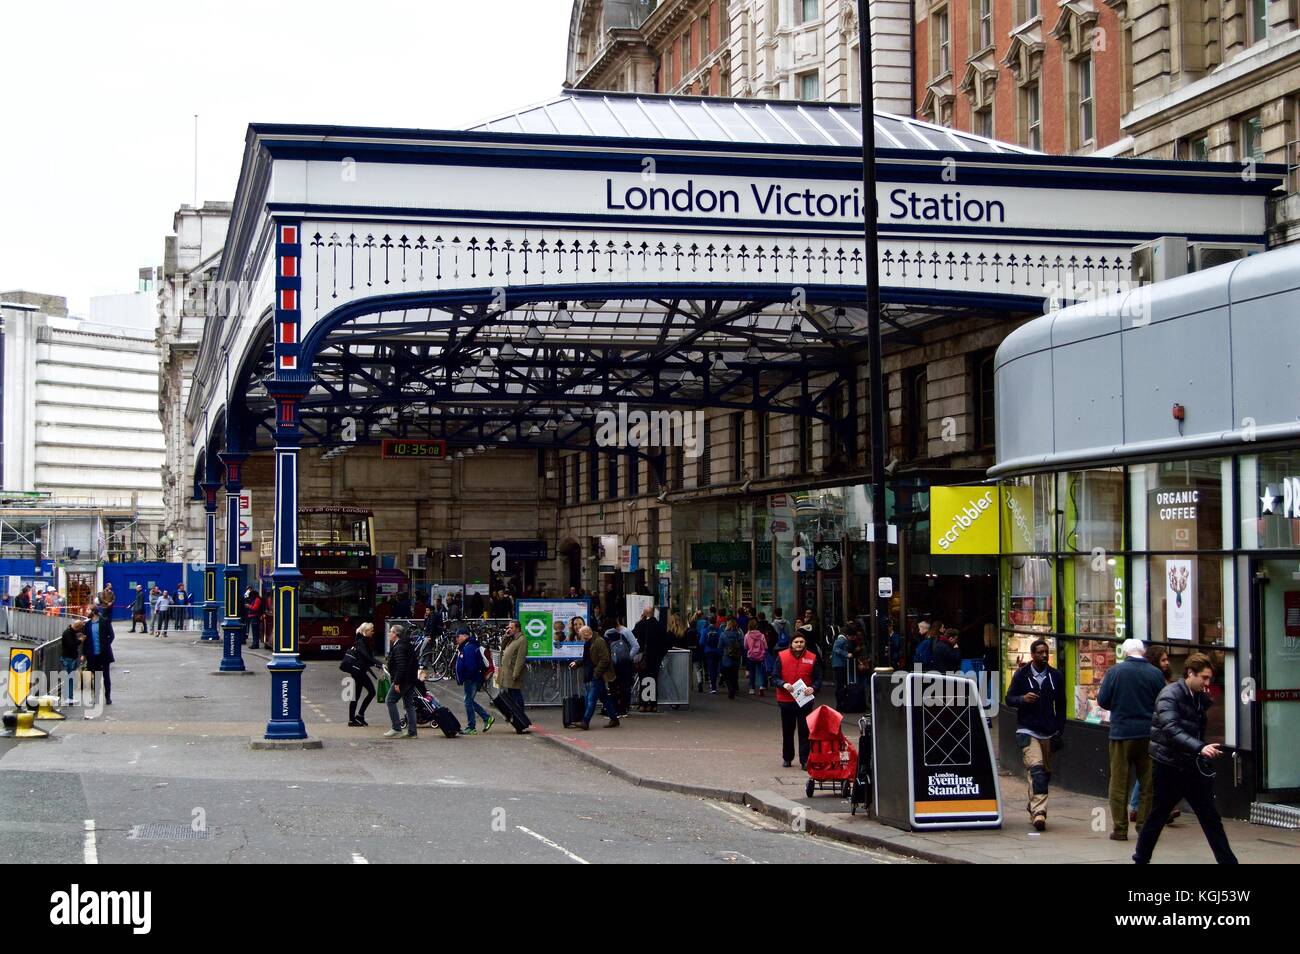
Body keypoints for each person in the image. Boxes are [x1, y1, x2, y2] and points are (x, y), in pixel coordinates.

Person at [1132, 654, 1237, 864]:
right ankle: (1141, 858)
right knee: (1157, 816)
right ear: (1190, 673)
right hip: (1169, 766)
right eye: (1204, 678)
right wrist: (1201, 748)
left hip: (1191, 765)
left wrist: (1200, 750)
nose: (1207, 683)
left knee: (1210, 818)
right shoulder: (1169, 695)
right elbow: (1171, 729)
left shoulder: (1196, 696)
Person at [1096, 637, 1167, 841]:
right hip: (1148, 734)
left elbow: (1102, 700)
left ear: (1125, 653)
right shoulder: (1155, 674)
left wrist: (1118, 707)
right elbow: (1162, 702)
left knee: (1119, 782)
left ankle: (1120, 828)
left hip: (1121, 733)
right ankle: (1144, 826)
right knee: (1148, 783)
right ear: (1142, 652)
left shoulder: (1115, 672)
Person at [1005, 638, 1067, 831]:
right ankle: (1039, 813)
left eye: (1046, 652)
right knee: (1037, 770)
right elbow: (1009, 699)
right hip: (1027, 729)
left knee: (1044, 774)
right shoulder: (1021, 675)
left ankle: (1033, 803)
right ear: (1032, 655)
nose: (1044, 655)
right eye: (1040, 652)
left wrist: (1059, 730)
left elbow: (1062, 705)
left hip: (1048, 731)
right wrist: (1023, 699)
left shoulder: (1055, 676)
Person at [1130, 646, 1179, 823]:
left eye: (1167, 660)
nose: (1167, 663)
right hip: (1154, 730)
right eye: (1163, 660)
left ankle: (1145, 807)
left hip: (1159, 728)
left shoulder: (1162, 678)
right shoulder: (1154, 678)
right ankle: (1142, 807)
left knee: (1153, 771)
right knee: (1151, 771)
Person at [775, 634, 820, 769]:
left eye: (801, 642)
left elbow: (818, 678)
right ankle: (787, 758)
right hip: (786, 700)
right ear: (791, 643)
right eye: (796, 642)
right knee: (788, 731)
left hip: (804, 701)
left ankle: (805, 760)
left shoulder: (812, 657)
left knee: (804, 731)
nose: (799, 644)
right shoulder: (781, 656)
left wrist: (813, 688)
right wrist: (783, 684)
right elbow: (774, 677)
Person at [569, 625, 619, 729]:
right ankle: (614, 719)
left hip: (596, 676)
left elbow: (605, 659)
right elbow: (587, 659)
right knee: (605, 699)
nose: (580, 637)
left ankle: (585, 722)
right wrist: (577, 663)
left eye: (581, 635)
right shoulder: (588, 643)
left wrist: (596, 673)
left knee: (590, 700)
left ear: (586, 633)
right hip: (591, 676)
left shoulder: (599, 642)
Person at [453, 627, 495, 735]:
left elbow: (471, 666)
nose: (456, 639)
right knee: (469, 700)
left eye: (458, 636)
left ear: (464, 635)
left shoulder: (469, 648)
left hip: (472, 678)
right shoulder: (467, 646)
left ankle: (472, 726)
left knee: (468, 701)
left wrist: (464, 676)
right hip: (472, 678)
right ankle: (487, 718)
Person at [382, 624, 419, 739]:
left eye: (390, 632)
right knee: (409, 705)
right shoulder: (407, 645)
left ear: (395, 634)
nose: (389, 634)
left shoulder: (399, 647)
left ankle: (396, 728)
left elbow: (401, 666)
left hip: (403, 680)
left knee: (390, 700)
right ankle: (412, 732)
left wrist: (397, 682)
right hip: (411, 679)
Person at [633, 605, 669, 713]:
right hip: (655, 658)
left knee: (643, 679)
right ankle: (653, 704)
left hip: (643, 657)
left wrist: (640, 620)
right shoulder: (659, 625)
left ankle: (643, 704)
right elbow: (665, 642)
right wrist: (660, 655)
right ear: (652, 613)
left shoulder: (640, 625)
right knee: (653, 680)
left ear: (644, 613)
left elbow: (633, 635)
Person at [345, 622, 380, 727]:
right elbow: (366, 656)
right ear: (366, 631)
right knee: (371, 692)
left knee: (357, 695)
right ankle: (358, 716)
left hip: (359, 671)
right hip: (358, 672)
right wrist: (379, 663)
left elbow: (366, 658)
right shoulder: (361, 641)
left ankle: (354, 718)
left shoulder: (362, 641)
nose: (373, 632)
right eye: (371, 630)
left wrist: (376, 664)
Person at [607, 621, 639, 716]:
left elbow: (636, 646)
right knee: (622, 686)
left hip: (616, 665)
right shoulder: (624, 633)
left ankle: (618, 708)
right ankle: (622, 708)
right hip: (623, 665)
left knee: (617, 686)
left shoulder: (610, 633)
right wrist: (628, 658)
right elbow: (635, 646)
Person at [498, 620, 528, 718]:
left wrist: (516, 674)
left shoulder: (522, 640)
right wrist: (506, 636)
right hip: (508, 672)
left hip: (513, 672)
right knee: (511, 694)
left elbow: (520, 658)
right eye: (508, 627)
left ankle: (520, 714)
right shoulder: (512, 639)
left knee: (516, 694)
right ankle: (514, 714)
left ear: (517, 628)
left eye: (511, 628)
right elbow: (502, 647)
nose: (509, 629)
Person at [59, 618, 85, 704]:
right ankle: (68, 697)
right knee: (69, 678)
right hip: (68, 658)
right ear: (78, 628)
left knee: (69, 678)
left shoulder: (70, 632)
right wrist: (80, 640)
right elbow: (72, 645)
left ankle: (69, 697)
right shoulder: (68, 633)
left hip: (69, 658)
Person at [717, 619, 742, 700]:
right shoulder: (738, 634)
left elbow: (720, 647)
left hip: (726, 657)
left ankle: (730, 689)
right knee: (734, 675)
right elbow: (742, 645)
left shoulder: (723, 635)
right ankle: (734, 688)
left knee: (727, 675)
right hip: (736, 658)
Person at [744, 621, 768, 696]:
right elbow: (766, 646)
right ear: (756, 626)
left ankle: (752, 688)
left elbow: (745, 646)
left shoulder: (747, 635)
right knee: (761, 672)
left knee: (752, 672)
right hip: (760, 656)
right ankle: (761, 686)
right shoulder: (761, 635)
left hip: (751, 656)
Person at [701, 617, 723, 694]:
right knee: (716, 668)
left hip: (708, 651)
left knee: (711, 668)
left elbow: (701, 642)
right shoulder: (718, 630)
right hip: (717, 651)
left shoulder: (705, 630)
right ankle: (714, 683)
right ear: (715, 622)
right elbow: (721, 640)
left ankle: (713, 686)